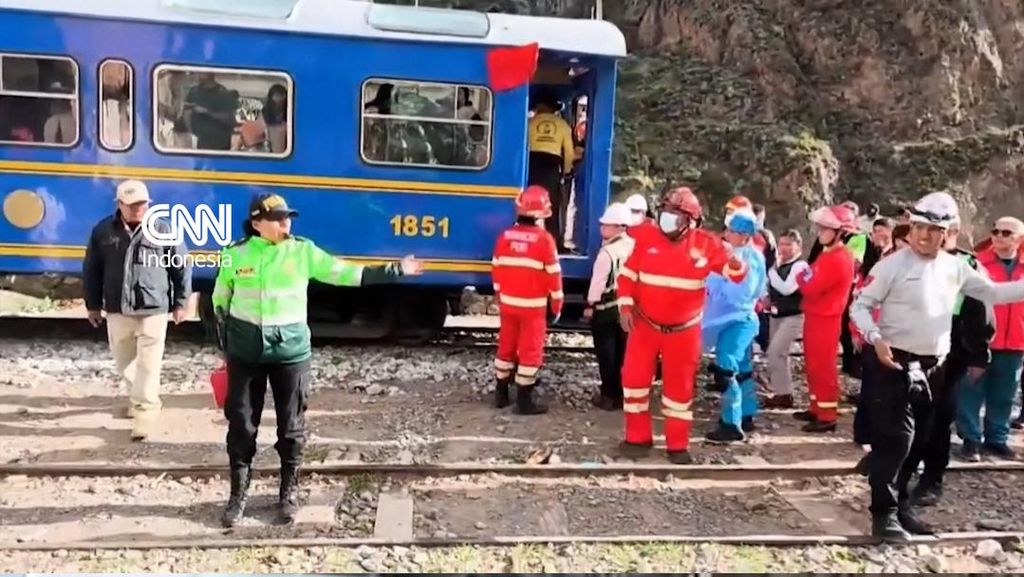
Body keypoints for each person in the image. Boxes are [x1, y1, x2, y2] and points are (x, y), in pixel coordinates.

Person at [211, 192, 423, 528]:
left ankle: (287, 494)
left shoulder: (303, 251)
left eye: (288, 217)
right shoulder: (231, 254)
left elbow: (345, 274)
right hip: (245, 353)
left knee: (291, 429)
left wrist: (395, 269)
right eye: (278, 218)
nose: (286, 223)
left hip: (291, 353)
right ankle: (238, 498)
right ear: (256, 224)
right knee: (241, 426)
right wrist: (225, 344)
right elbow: (220, 299)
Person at [850, 192, 1024, 541]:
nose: (925, 236)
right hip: (893, 362)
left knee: (922, 441)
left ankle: (900, 508)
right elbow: (860, 307)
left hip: (934, 367)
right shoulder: (891, 266)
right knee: (898, 439)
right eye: (919, 228)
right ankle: (882, 515)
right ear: (910, 228)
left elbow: (994, 294)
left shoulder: (956, 267)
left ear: (947, 233)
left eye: (934, 230)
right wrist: (874, 337)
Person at [616, 186, 747, 464]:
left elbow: (735, 274)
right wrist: (625, 306)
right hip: (644, 326)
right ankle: (636, 438)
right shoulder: (646, 237)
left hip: (683, 332)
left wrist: (734, 260)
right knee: (634, 382)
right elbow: (627, 276)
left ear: (691, 221)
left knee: (679, 390)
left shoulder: (706, 244)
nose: (667, 220)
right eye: (665, 213)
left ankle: (677, 445)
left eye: (675, 216)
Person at [83, 180, 191, 442]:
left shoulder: (164, 230)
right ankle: (139, 396)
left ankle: (145, 410)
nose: (138, 209)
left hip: (153, 307)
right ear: (119, 205)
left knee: (148, 363)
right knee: (124, 361)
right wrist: (93, 304)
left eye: (142, 204)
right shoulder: (102, 232)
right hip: (118, 308)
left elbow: (181, 267)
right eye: (132, 205)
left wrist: (181, 302)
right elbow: (92, 269)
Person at [905, 217, 991, 505]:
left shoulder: (968, 266)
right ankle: (903, 473)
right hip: (914, 350)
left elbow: (981, 312)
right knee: (912, 415)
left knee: (939, 418)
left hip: (951, 356)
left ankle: (932, 479)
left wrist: (979, 355)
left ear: (952, 233)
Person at [490, 185, 564, 415]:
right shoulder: (545, 240)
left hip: (509, 304)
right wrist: (557, 305)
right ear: (542, 214)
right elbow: (554, 277)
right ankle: (524, 400)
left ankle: (501, 393)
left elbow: (496, 269)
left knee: (506, 346)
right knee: (530, 351)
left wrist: (500, 295)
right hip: (533, 307)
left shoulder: (504, 236)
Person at [956, 216, 1024, 461]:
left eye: (1006, 233)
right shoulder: (978, 264)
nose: (998, 236)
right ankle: (971, 440)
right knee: (971, 390)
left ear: (1019, 239)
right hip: (980, 341)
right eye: (995, 231)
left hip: (1015, 341)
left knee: (1004, 394)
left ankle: (997, 439)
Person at [702, 209, 767, 442]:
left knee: (726, 369)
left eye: (731, 230)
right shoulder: (753, 255)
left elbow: (740, 293)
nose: (726, 233)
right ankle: (746, 414)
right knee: (742, 368)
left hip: (735, 319)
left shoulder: (743, 259)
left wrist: (715, 289)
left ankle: (731, 424)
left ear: (743, 235)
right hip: (740, 319)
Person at [793, 203, 858, 432]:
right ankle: (817, 407)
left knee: (823, 367)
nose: (820, 232)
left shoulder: (838, 257)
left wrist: (803, 276)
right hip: (817, 315)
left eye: (825, 228)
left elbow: (810, 285)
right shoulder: (829, 254)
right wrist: (806, 277)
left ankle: (827, 414)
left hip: (826, 318)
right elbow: (809, 279)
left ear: (840, 232)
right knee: (813, 365)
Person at [583, 202, 635, 411]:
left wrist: (590, 305)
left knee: (607, 355)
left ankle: (608, 395)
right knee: (623, 354)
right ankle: (623, 394)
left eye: (606, 225)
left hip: (605, 310)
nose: (602, 228)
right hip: (626, 309)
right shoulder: (633, 246)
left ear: (619, 227)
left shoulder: (607, 253)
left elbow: (597, 284)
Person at [763, 229, 809, 409]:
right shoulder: (780, 265)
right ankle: (782, 392)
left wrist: (771, 271)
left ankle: (784, 393)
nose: (784, 248)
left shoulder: (800, 266)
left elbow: (786, 288)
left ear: (798, 246)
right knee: (779, 354)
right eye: (781, 244)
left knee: (775, 352)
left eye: (789, 244)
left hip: (794, 315)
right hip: (777, 314)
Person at [527, 90, 574, 252]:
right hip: (551, 166)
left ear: (540, 106)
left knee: (529, 201)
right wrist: (566, 171)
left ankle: (527, 237)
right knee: (552, 206)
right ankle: (554, 244)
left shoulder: (530, 123)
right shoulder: (562, 125)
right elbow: (569, 152)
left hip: (531, 164)